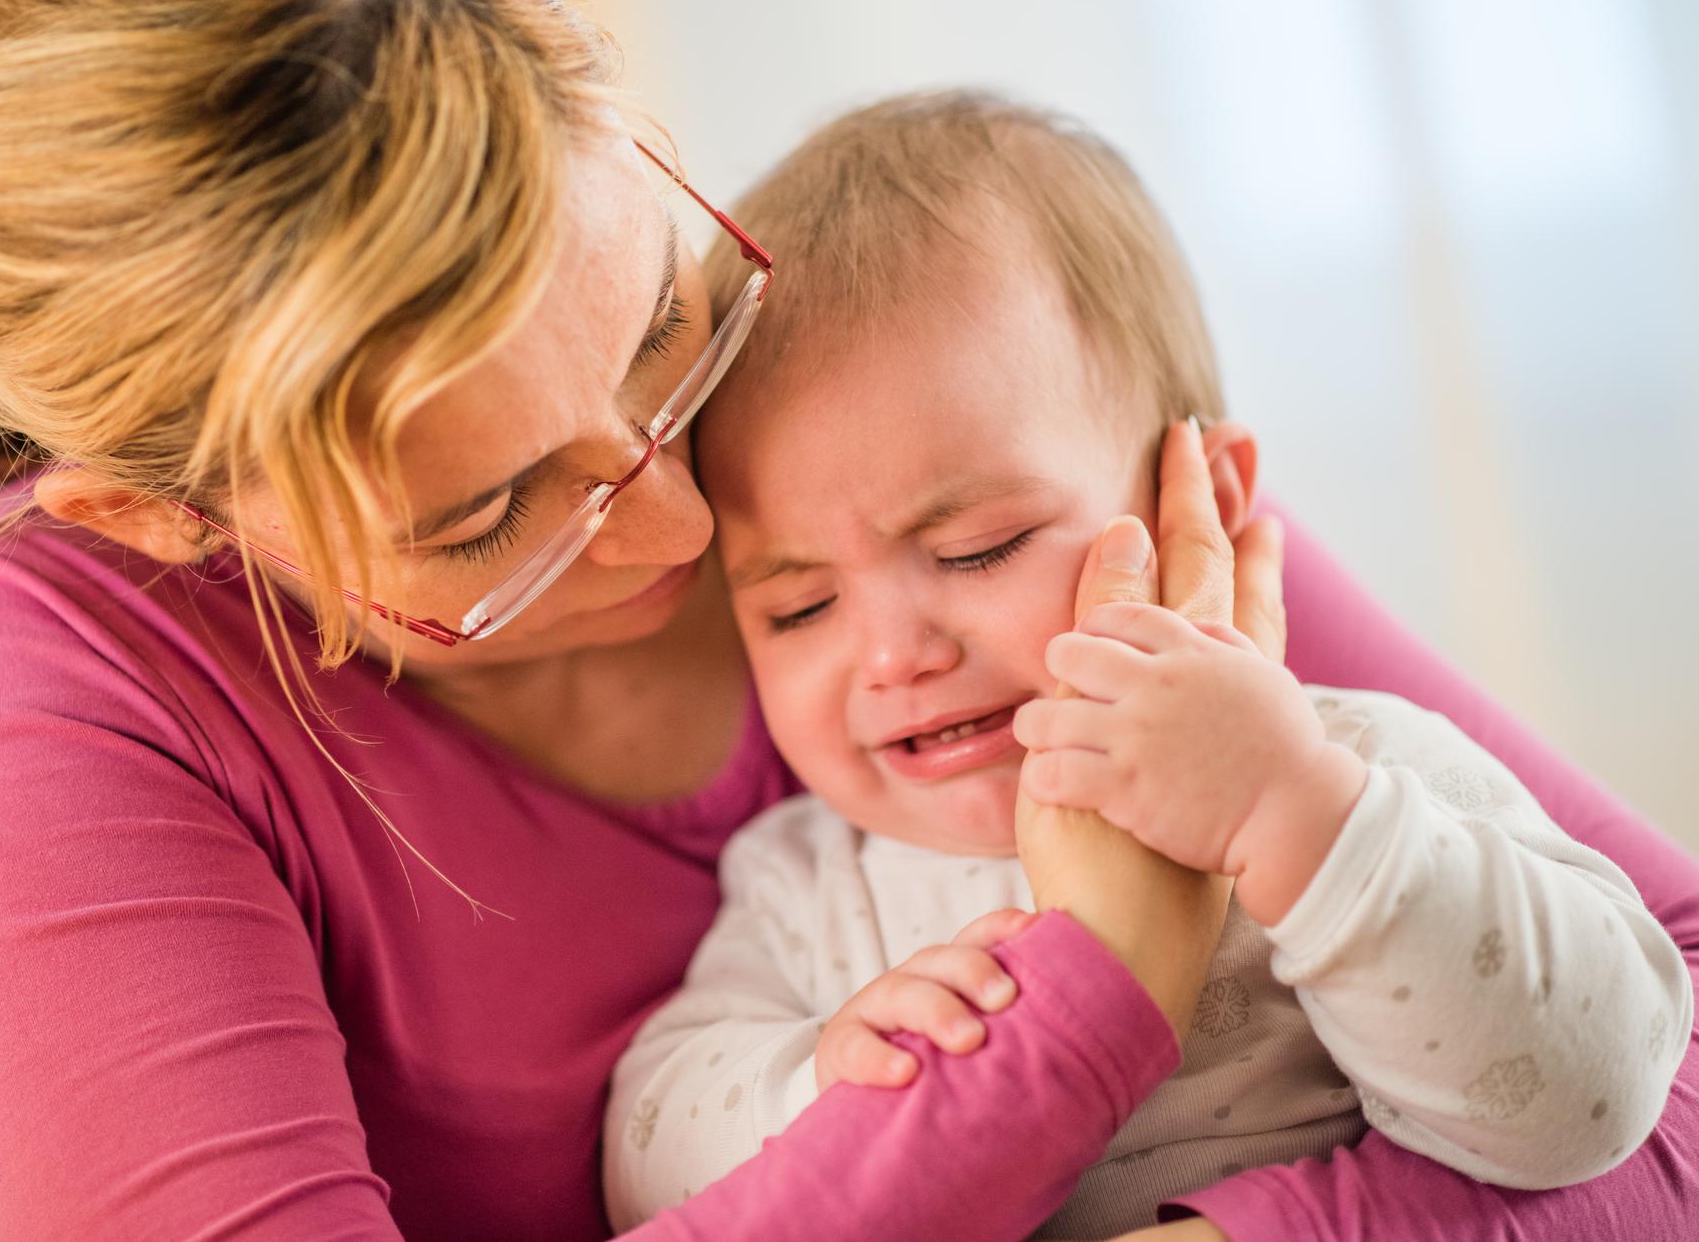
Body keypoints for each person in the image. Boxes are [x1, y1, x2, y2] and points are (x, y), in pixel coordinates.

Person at [0, 0, 1699, 1238]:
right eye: (488, 516)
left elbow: (1671, 1039)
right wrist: (1095, 984)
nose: (688, 528)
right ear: (168, 516)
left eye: (654, 329)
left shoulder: (864, 418)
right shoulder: (35, 666)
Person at [601, 91, 1692, 1238]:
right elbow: (641, 1157)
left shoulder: (1358, 764)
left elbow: (1598, 1092)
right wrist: (815, 1084)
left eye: (980, 547)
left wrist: (1307, 822)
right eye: (798, 605)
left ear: (1202, 505)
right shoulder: (803, 881)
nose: (891, 652)